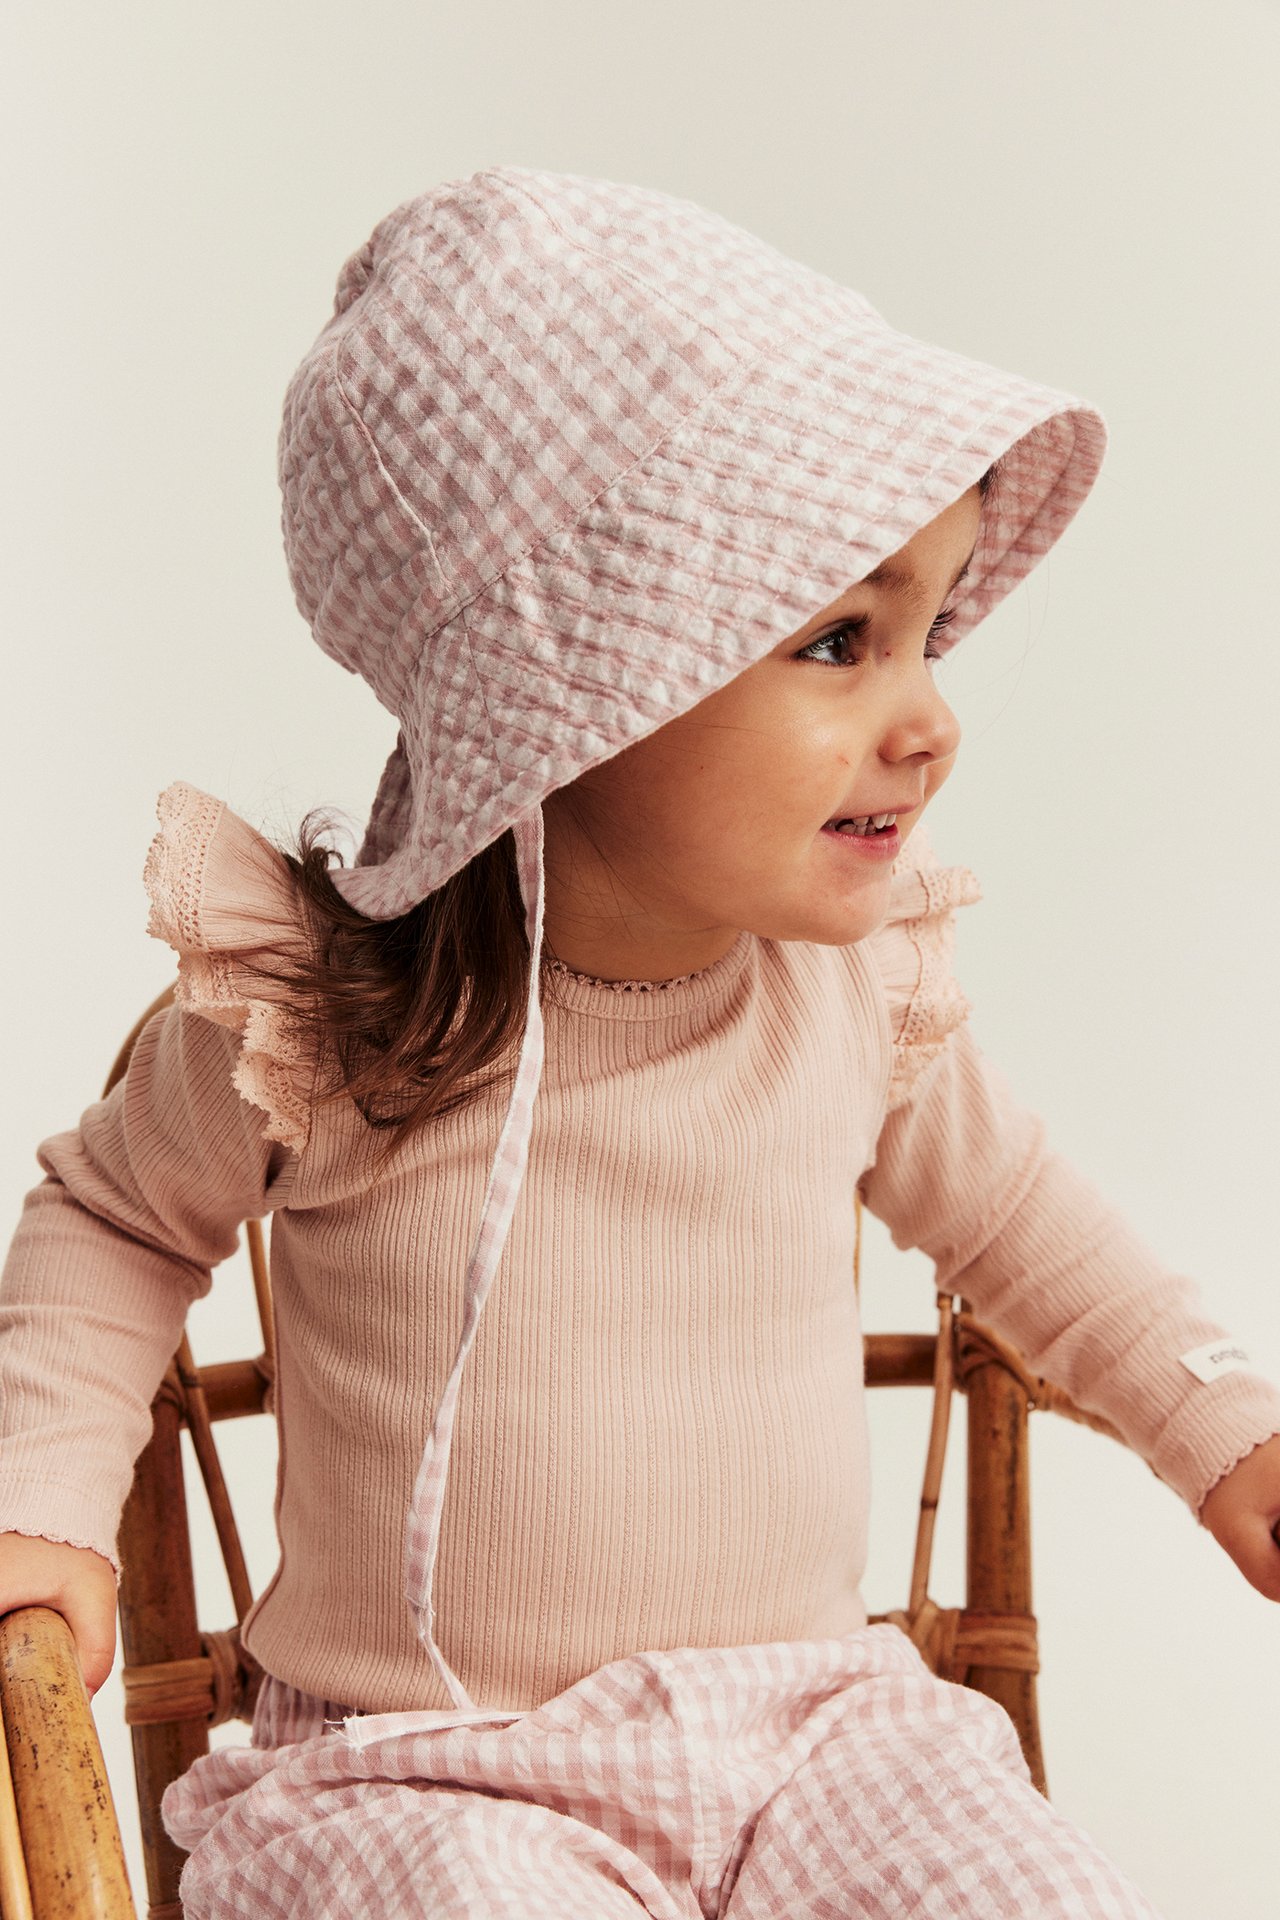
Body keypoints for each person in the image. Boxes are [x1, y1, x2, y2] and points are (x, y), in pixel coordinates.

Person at [1, 165, 1277, 1920]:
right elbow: (113, 1223)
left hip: (815, 1734)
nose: (931, 722)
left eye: (929, 631)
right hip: (426, 1764)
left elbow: (1031, 1225)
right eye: (841, 641)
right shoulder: (318, 1021)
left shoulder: (854, 997)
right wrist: (45, 1509)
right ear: (576, 697)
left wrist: (1228, 1432)